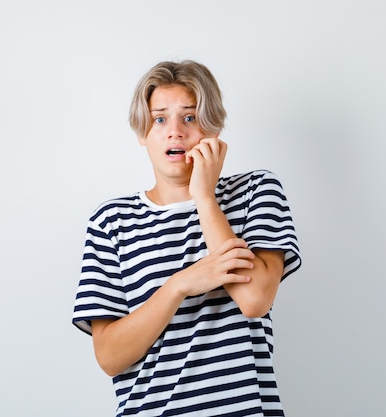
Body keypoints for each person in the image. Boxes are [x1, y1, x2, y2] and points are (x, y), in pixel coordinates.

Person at [72, 59, 302, 416]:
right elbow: (109, 357)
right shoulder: (111, 222)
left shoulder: (256, 190)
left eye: (190, 117)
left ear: (213, 128)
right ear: (142, 133)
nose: (175, 131)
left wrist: (204, 197)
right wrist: (180, 285)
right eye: (160, 118)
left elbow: (255, 299)